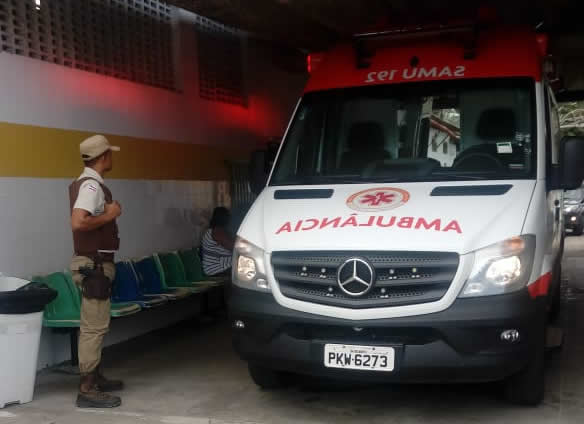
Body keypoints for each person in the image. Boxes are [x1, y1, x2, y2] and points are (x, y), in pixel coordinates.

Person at [69, 135, 124, 408]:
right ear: (103, 157)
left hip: (95, 265)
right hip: (95, 266)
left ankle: (96, 376)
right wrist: (110, 215)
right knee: (94, 327)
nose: (112, 158)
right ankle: (87, 388)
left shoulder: (87, 183)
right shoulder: (91, 185)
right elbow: (79, 222)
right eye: (110, 154)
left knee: (96, 324)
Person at [201, 207, 234, 276]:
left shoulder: (220, 230)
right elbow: (234, 248)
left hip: (223, 266)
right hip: (216, 269)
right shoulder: (216, 232)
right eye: (228, 217)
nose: (230, 219)